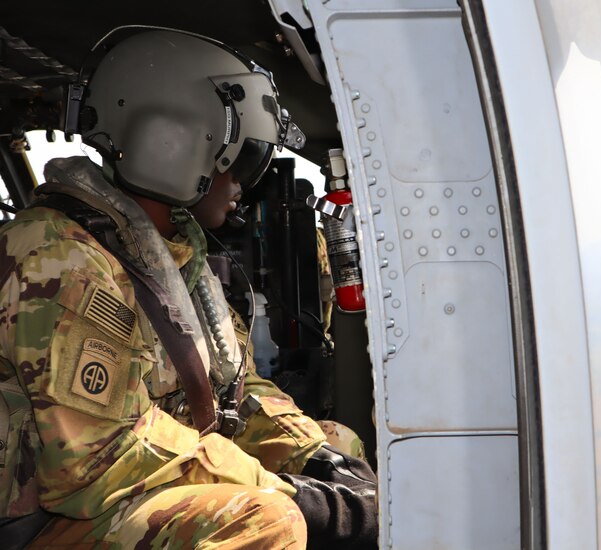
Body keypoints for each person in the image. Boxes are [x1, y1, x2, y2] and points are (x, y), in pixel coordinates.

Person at [0, 28, 376, 549]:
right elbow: (96, 463)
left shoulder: (171, 253)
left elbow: (237, 391)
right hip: (44, 519)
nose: (245, 181)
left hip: (110, 490)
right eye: (241, 158)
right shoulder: (62, 260)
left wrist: (313, 459)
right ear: (174, 145)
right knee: (266, 521)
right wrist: (288, 493)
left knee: (338, 444)